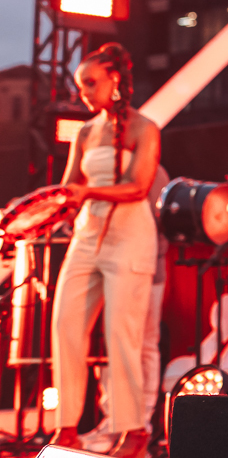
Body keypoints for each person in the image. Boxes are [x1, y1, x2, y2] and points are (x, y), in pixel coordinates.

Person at [50, 43, 159, 458]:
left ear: (114, 79)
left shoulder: (144, 127)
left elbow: (138, 187)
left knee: (122, 334)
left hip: (130, 237)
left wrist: (87, 193)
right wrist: (36, 212)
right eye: (80, 86)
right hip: (86, 234)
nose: (84, 93)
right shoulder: (85, 132)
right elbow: (69, 188)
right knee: (65, 324)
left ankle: (134, 431)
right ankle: (66, 429)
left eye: (90, 84)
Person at [81, 167, 171, 454]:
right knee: (116, 345)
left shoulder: (153, 173)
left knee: (144, 345)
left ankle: (141, 421)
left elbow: (162, 224)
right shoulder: (110, 167)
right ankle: (114, 420)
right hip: (115, 267)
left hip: (147, 268)